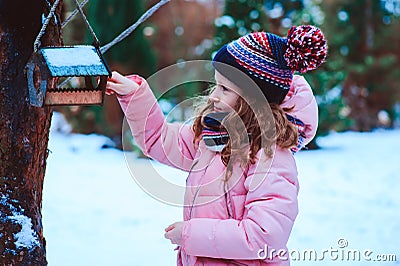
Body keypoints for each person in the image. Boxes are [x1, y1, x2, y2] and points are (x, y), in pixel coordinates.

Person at [106, 25, 327, 265]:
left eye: (224, 89)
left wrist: (191, 235)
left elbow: (264, 236)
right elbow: (159, 140)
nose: (213, 95)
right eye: (216, 84)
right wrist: (135, 95)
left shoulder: (271, 157)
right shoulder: (213, 136)